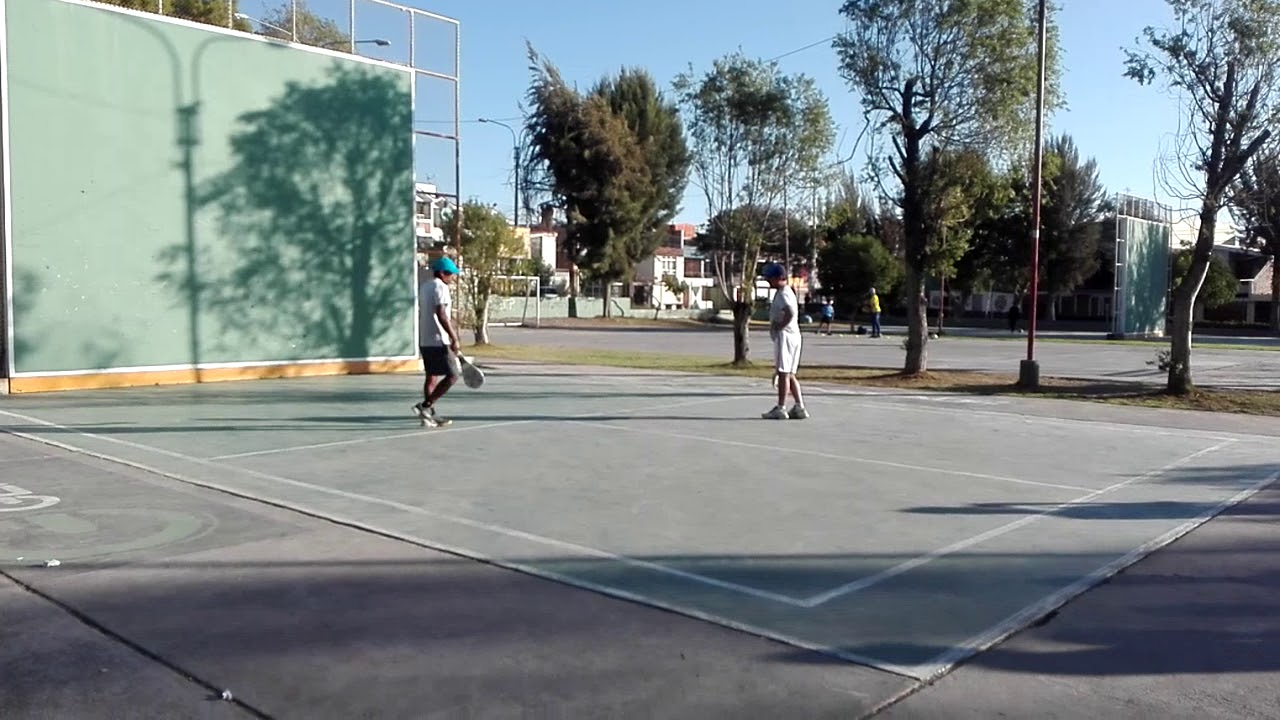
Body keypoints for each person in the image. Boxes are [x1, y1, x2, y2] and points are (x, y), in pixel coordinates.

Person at [414, 256, 462, 427]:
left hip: (425, 339)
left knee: (432, 377)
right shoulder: (441, 287)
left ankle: (429, 416)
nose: (453, 278)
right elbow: (441, 313)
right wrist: (453, 337)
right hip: (438, 340)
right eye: (451, 274)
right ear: (442, 273)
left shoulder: (425, 286)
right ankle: (425, 406)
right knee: (453, 375)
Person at [762, 263, 808, 420]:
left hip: (786, 336)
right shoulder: (786, 292)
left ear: (777, 278)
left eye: (769, 278)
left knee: (783, 373)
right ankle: (799, 406)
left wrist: (779, 326)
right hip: (793, 335)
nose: (767, 280)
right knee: (790, 374)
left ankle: (781, 408)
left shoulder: (783, 293)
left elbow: (790, 311)